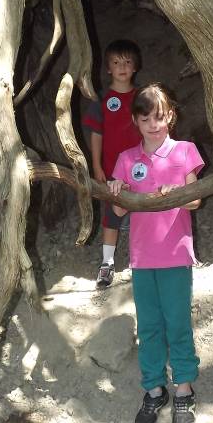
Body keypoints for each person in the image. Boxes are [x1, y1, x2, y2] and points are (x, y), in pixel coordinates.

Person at [107, 83, 204, 423]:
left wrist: (178, 192)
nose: (153, 124)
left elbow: (195, 200)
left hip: (176, 255)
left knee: (177, 322)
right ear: (136, 120)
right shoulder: (127, 160)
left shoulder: (184, 151)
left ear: (171, 117)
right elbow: (118, 210)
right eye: (146, 118)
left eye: (160, 117)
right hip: (142, 259)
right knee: (148, 327)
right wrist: (117, 190)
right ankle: (153, 388)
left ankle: (183, 387)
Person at [82, 39, 142, 288]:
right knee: (112, 215)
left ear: (135, 66)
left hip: (141, 168)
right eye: (116, 62)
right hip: (112, 169)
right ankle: (107, 263)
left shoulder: (143, 97)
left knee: (143, 212)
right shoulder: (103, 101)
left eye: (127, 61)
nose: (122, 67)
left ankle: (141, 260)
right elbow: (96, 135)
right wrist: (96, 166)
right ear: (108, 68)